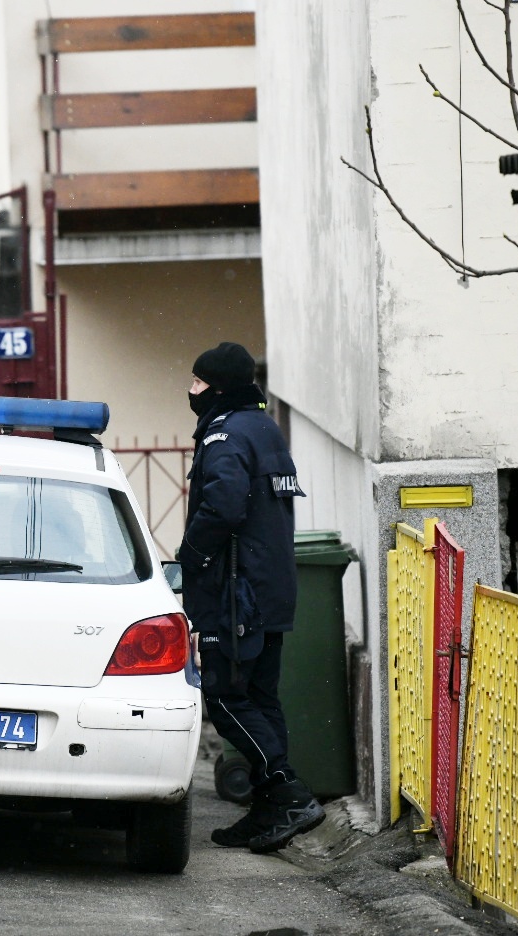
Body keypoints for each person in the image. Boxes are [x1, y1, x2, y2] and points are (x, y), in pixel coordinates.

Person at [177, 341, 324, 853]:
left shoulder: (224, 436)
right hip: (271, 588)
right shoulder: (265, 430)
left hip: (236, 594)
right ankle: (269, 810)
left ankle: (286, 791)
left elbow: (221, 507)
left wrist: (189, 556)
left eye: (196, 383)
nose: (189, 391)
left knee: (223, 695)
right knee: (261, 697)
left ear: (215, 389)